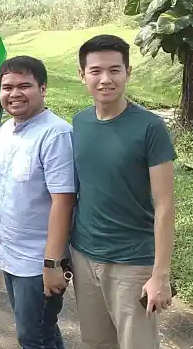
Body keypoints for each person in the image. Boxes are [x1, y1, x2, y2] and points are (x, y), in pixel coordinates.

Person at [70, 35, 177, 349]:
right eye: (96, 71)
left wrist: (160, 275)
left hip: (131, 262)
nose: (105, 79)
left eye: (114, 70)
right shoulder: (80, 122)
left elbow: (165, 205)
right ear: (82, 75)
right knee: (96, 342)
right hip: (84, 255)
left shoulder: (150, 127)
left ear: (128, 72)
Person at [0, 56, 76, 349]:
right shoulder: (5, 131)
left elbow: (64, 202)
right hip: (11, 252)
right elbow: (5, 188)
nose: (14, 94)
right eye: (7, 87)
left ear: (43, 88)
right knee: (41, 330)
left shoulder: (56, 134)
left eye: (24, 86)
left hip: (38, 261)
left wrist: (53, 263)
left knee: (32, 336)